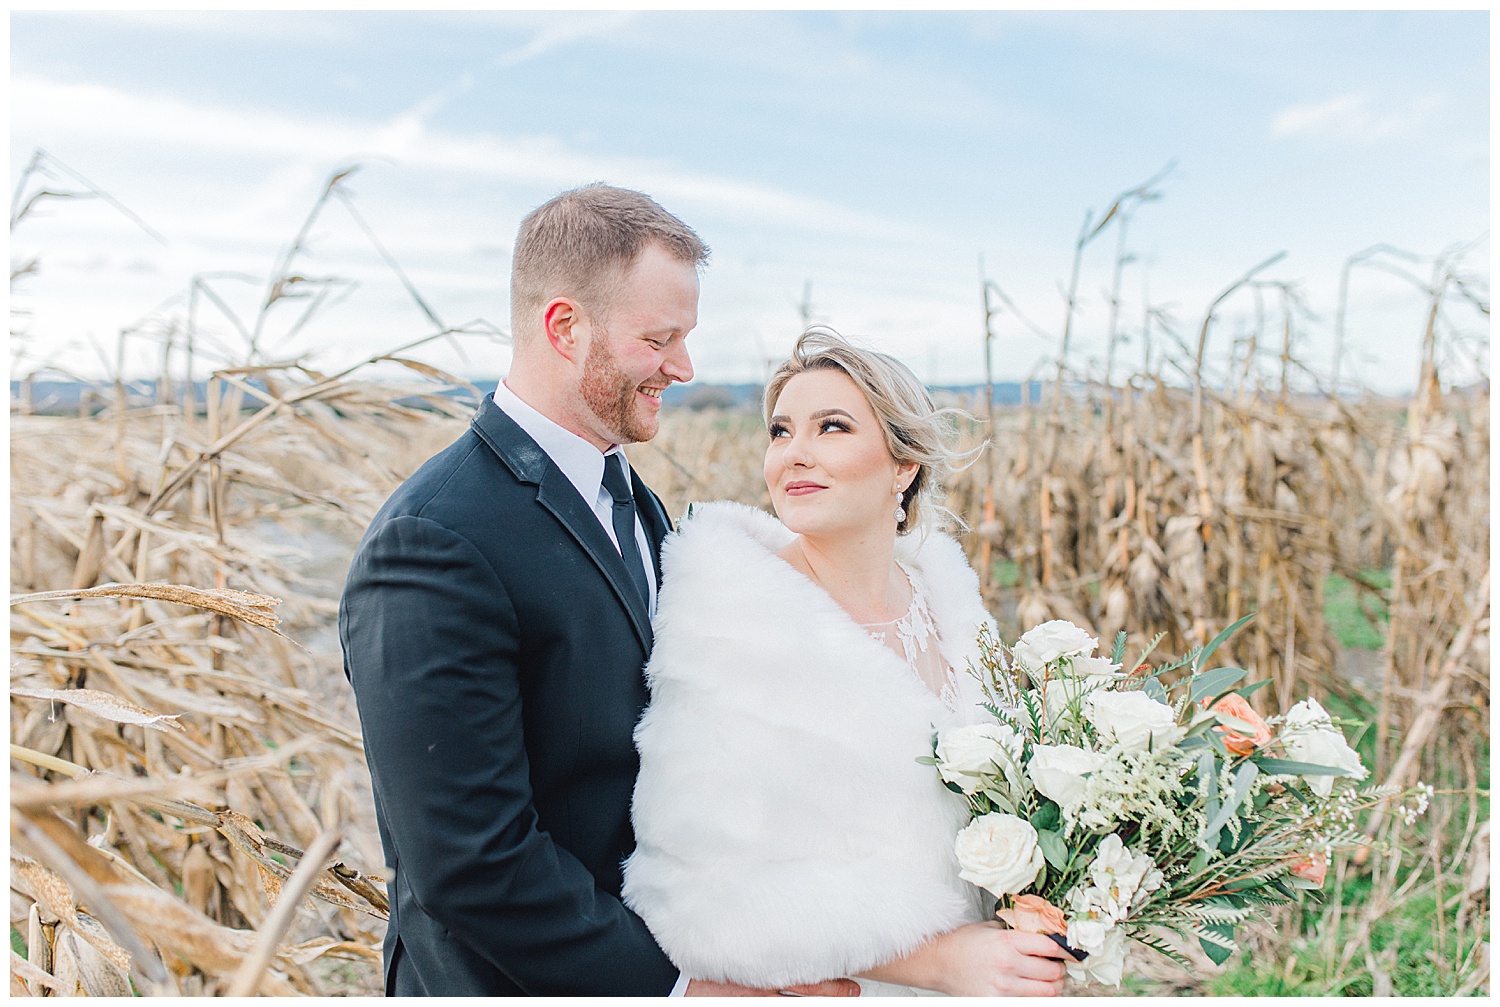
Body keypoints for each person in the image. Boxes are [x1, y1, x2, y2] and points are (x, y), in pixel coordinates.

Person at [339, 185, 856, 996]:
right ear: (564, 326)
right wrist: (686, 990)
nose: (683, 368)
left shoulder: (630, 497)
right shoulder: (435, 542)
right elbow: (473, 864)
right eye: (661, 339)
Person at [623, 329, 1072, 996]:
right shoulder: (731, 623)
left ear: (903, 464)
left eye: (831, 427)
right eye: (780, 431)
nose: (794, 454)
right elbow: (700, 888)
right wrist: (942, 961)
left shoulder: (948, 604)